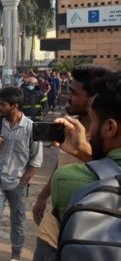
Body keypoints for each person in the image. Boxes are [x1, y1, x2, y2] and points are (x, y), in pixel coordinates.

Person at [31, 65, 113, 261]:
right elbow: (61, 165)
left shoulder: (109, 139)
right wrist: (43, 197)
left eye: (74, 93)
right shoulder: (69, 129)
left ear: (94, 98)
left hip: (86, 237)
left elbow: (112, 175)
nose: (68, 97)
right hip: (51, 233)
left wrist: (82, 152)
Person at [51, 72, 121, 224]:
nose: (68, 98)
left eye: (94, 120)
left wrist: (83, 153)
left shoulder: (67, 179)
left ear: (110, 128)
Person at [0, 86, 43, 261]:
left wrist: (23, 183)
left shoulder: (32, 128)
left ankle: (15, 255)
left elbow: (35, 161)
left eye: (2, 104)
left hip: (18, 183)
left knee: (18, 223)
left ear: (14, 105)